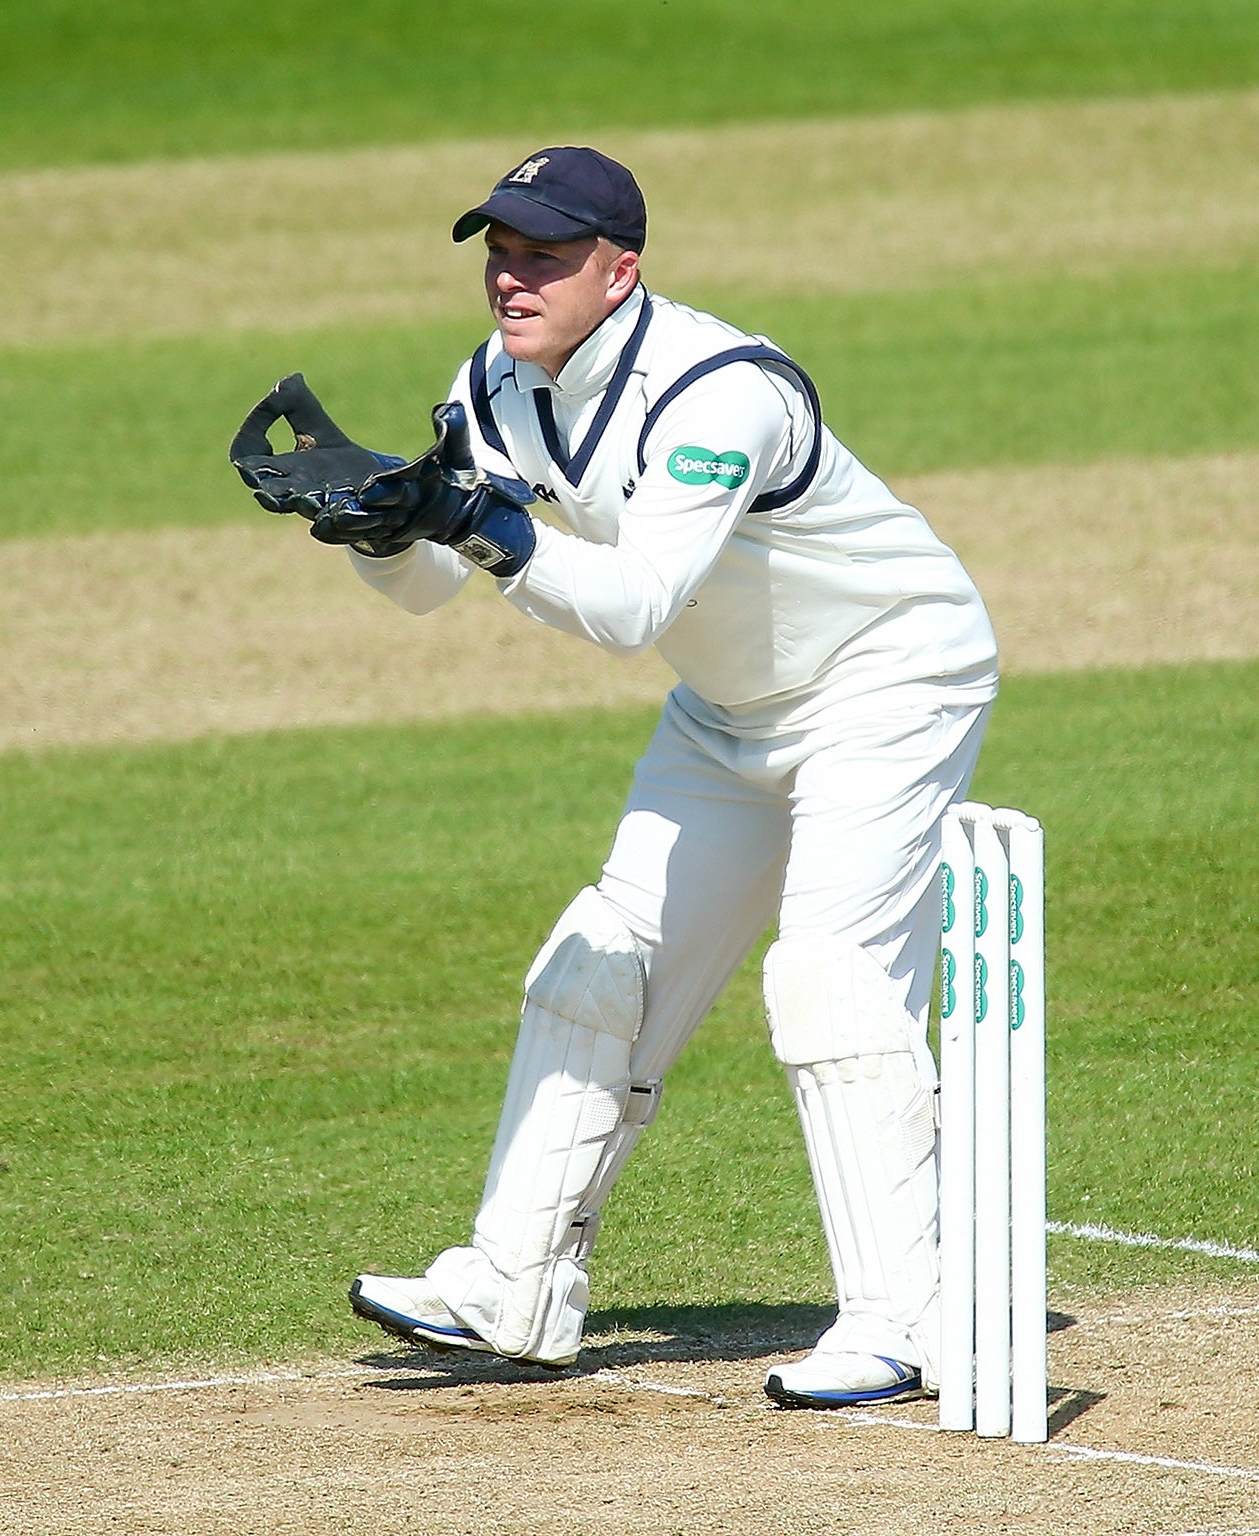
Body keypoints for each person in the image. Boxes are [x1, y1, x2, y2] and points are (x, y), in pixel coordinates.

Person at [230, 147, 999, 1407]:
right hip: (730, 710)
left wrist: (476, 522)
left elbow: (638, 601)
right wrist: (379, 527)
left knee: (825, 977)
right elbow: (427, 587)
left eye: (544, 256)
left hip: (887, 678)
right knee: (595, 959)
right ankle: (512, 1284)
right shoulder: (493, 385)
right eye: (498, 251)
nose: (510, 278)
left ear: (618, 270)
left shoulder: (715, 392)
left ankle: (898, 1320)